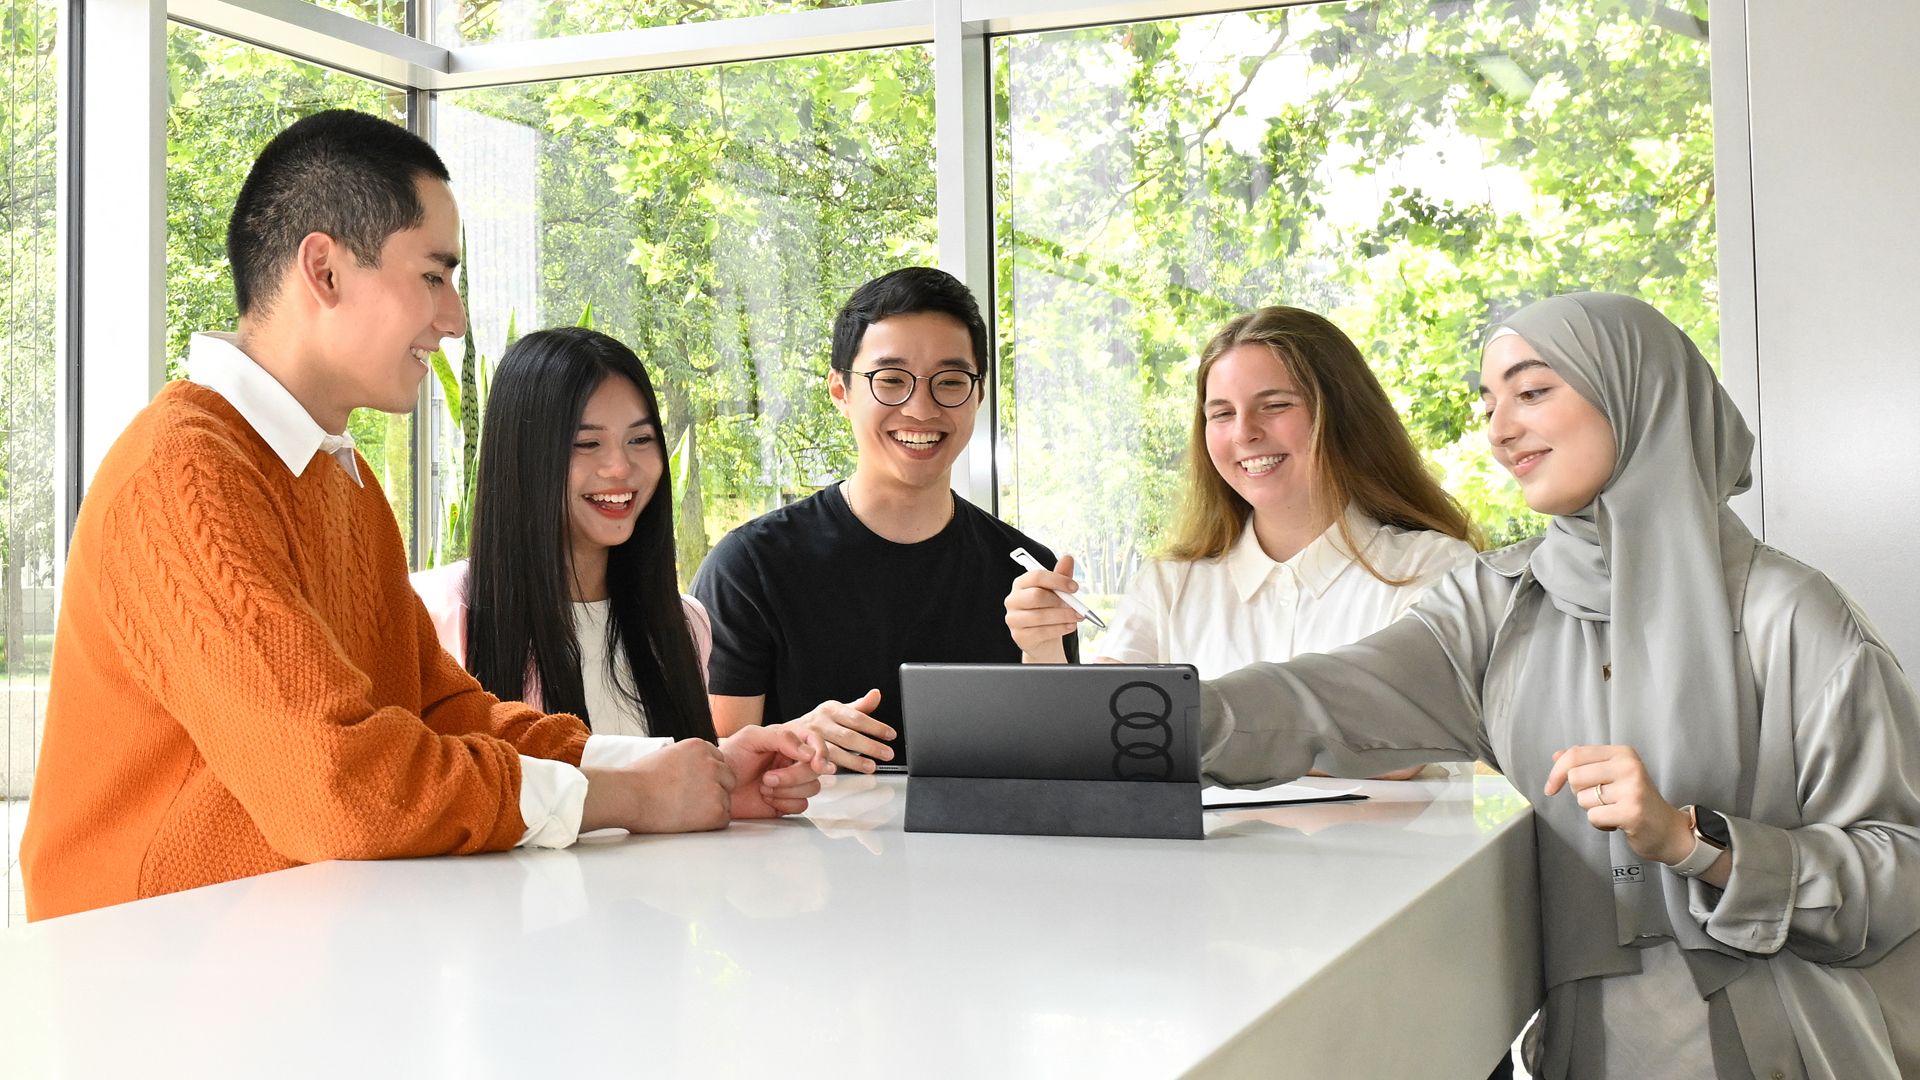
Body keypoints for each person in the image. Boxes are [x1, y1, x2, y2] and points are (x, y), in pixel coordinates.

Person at [21, 110, 823, 922]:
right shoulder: (184, 474)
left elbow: (442, 712)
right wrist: (624, 796)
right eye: (435, 276)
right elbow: (336, 785)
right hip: (142, 982)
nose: (456, 317)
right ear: (324, 270)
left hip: (281, 963)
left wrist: (689, 768)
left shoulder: (344, 480)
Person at [1199, 292, 1920, 1078]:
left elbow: (1900, 870)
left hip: (1786, 1041)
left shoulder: (1789, 613)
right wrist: (1152, 718)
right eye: (1489, 401)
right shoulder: (1498, 603)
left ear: (1634, 393)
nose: (1501, 428)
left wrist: (1697, 843)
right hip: (1586, 1047)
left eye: (1533, 391)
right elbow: (1322, 699)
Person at [1004, 305, 1478, 781]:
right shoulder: (1173, 581)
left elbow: (1397, 750)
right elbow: (1097, 731)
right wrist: (1044, 652)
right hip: (1205, 856)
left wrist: (1175, 736)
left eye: (1274, 405)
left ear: (1344, 414)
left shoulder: (1437, 569)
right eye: (1222, 413)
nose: (1245, 432)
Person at [692, 267, 1076, 774]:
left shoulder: (1028, 572)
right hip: (801, 850)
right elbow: (713, 773)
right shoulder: (749, 568)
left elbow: (1059, 773)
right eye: (891, 380)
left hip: (982, 850)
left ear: (978, 395)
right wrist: (795, 739)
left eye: (952, 381)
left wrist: (1044, 651)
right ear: (840, 391)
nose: (920, 409)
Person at [412, 326, 716, 742]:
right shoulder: (438, 615)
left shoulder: (682, 624)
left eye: (640, 439)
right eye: (587, 444)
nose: (620, 468)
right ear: (524, 456)